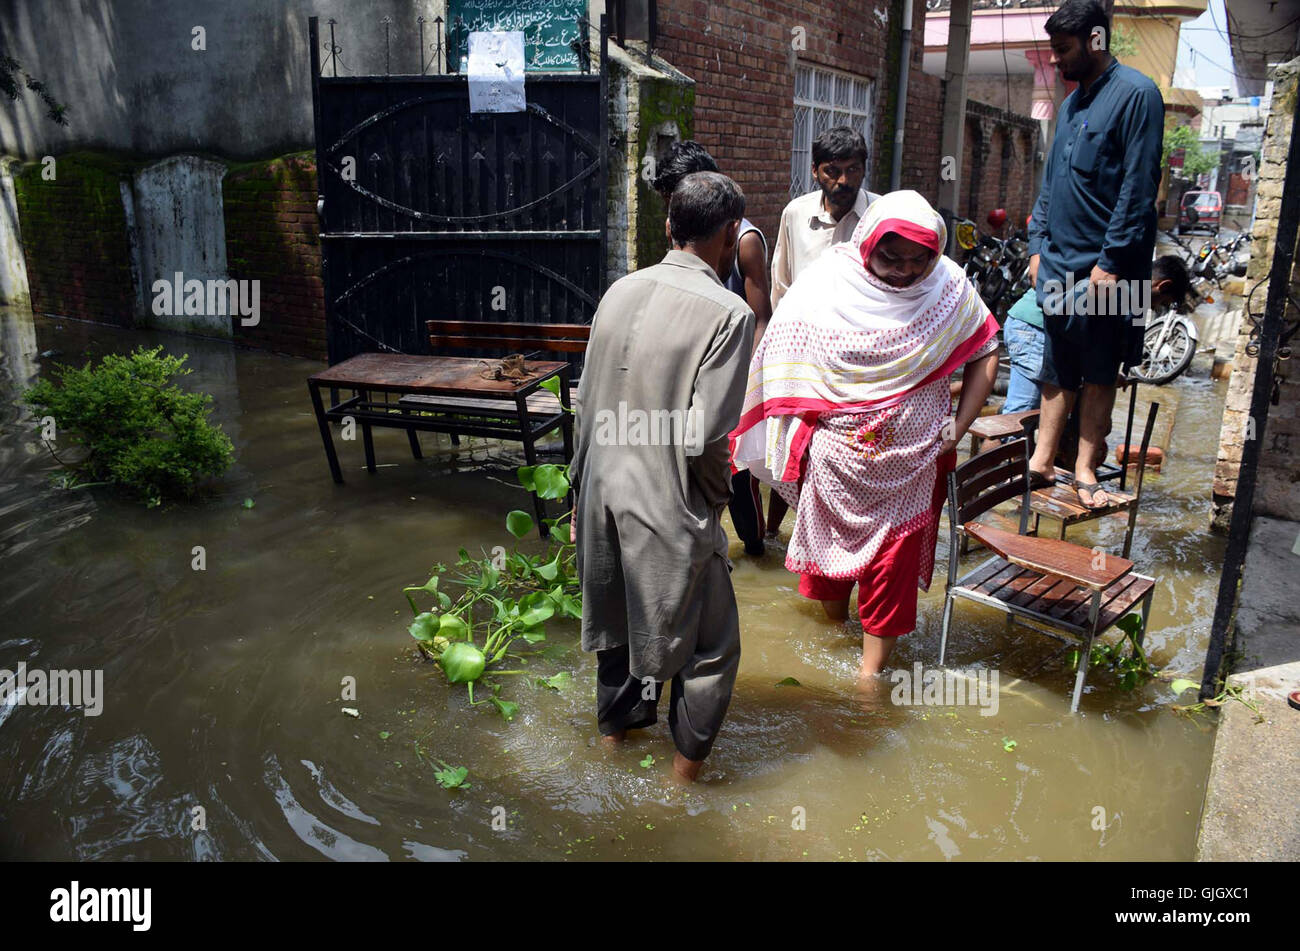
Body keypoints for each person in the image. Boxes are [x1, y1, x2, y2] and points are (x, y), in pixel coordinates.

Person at [732, 191, 1000, 682]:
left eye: (918, 260)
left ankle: (869, 680)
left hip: (911, 467)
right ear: (866, 243)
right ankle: (837, 636)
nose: (903, 271)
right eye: (890, 257)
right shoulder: (830, 283)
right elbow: (781, 352)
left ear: (936, 255)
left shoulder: (948, 288)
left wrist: (956, 428)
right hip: (837, 463)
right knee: (829, 570)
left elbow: (986, 349)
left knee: (891, 574)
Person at [570, 172, 755, 783]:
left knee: (620, 631)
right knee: (712, 648)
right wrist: (713, 506)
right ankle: (679, 789)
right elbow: (705, 436)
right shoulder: (730, 312)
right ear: (731, 235)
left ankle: (609, 757)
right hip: (666, 499)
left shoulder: (617, 292)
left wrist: (578, 489)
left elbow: (585, 403)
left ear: (670, 226)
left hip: (598, 490)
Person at [1026, 0, 1165, 509]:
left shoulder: (1137, 96)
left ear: (1096, 41)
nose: (1057, 61)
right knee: (1057, 364)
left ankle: (1085, 469)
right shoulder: (1070, 105)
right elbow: (1050, 185)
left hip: (1109, 267)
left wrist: (1110, 262)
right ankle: (1042, 460)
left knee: (1101, 370)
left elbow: (1138, 185)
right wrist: (1037, 246)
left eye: (1063, 50)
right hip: (1059, 263)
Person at [652, 140, 773, 556]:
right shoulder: (680, 234)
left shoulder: (743, 242)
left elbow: (761, 318)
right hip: (691, 365)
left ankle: (757, 550)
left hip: (734, 366)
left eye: (677, 197)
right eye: (669, 202)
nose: (673, 211)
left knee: (739, 478)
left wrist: (744, 389)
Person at [766, 126, 882, 535]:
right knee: (789, 446)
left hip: (861, 360)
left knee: (851, 453)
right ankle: (773, 532)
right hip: (805, 354)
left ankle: (842, 530)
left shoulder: (880, 216)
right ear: (815, 171)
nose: (844, 181)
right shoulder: (796, 214)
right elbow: (780, 286)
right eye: (833, 170)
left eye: (854, 169)